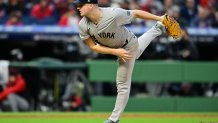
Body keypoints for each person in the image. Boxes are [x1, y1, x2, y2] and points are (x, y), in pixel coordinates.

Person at [74, 0, 169, 122]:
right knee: (137, 51)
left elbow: (135, 13)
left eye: (81, 5)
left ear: (91, 5)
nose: (78, 7)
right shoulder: (83, 25)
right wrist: (115, 52)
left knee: (123, 85)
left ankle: (114, 119)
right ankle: (158, 28)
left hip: (128, 45)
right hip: (119, 49)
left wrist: (159, 17)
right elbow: (93, 46)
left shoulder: (113, 14)